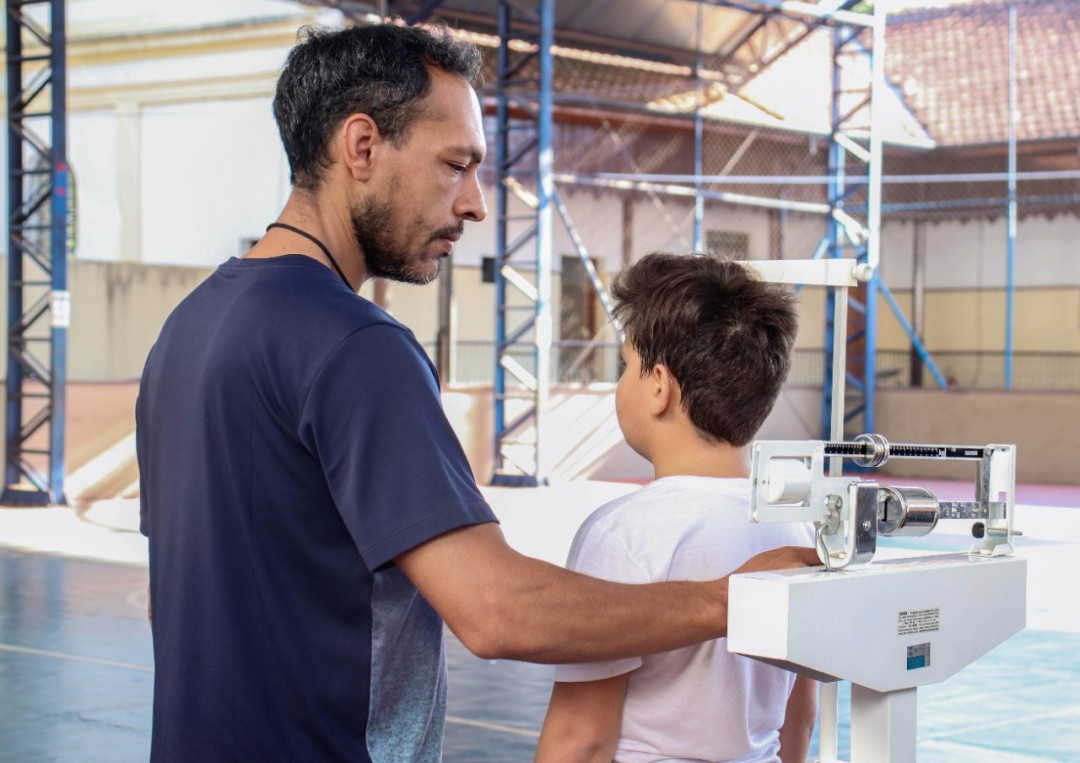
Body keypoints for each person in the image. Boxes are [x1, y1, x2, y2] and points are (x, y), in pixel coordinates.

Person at [135, 22, 818, 762]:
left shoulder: (186, 329)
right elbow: (497, 611)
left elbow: (169, 596)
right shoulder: (357, 347)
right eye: (455, 165)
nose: (475, 205)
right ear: (361, 147)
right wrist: (731, 598)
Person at [535, 253, 818, 763]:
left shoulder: (622, 533)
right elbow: (798, 713)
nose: (623, 382)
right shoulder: (796, 528)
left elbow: (582, 734)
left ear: (659, 387)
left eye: (626, 366)